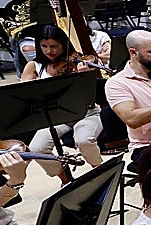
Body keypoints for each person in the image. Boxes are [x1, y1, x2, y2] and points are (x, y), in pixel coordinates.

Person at [20, 25, 104, 175]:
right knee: (37, 149)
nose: (49, 51)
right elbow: (25, 95)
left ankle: (100, 171)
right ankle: (64, 177)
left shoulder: (77, 61)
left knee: (84, 141)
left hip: (86, 113)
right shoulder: (34, 66)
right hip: (57, 117)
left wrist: (85, 78)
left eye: (54, 46)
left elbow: (93, 95)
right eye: (44, 46)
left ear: (63, 44)